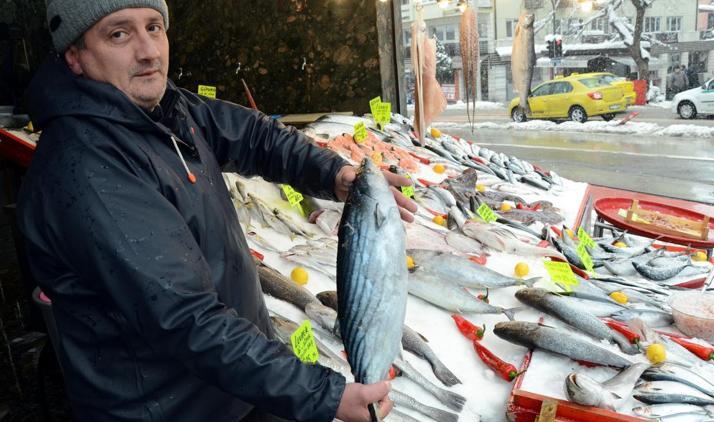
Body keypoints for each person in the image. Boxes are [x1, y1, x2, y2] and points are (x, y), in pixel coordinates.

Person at [17, 1, 417, 421]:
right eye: (119, 34)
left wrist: (333, 172)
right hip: (171, 408)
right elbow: (185, 319)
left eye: (154, 27)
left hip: (235, 384)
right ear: (75, 57)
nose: (149, 50)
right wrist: (321, 395)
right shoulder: (86, 168)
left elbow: (255, 136)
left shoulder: (166, 109)